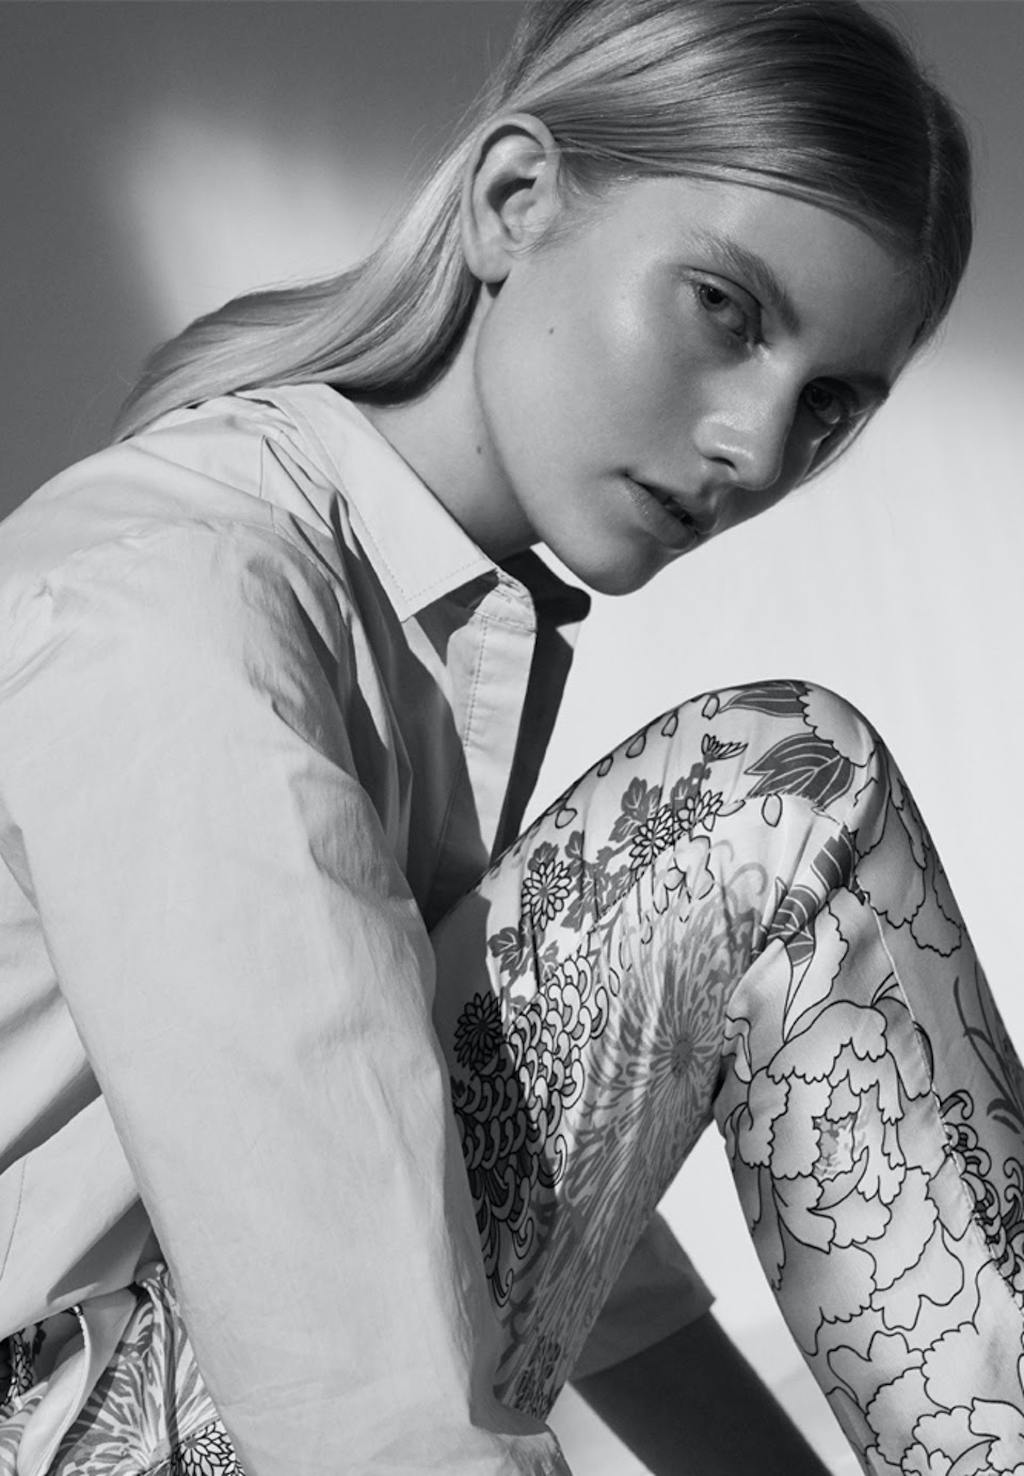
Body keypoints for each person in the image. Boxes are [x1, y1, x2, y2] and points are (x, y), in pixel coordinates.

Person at [0, 0, 1013, 1473]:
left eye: (827, 405)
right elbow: (365, 1377)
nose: (754, 447)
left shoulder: (407, 609)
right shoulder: (189, 594)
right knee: (780, 793)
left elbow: (498, 1169)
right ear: (513, 201)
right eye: (725, 310)